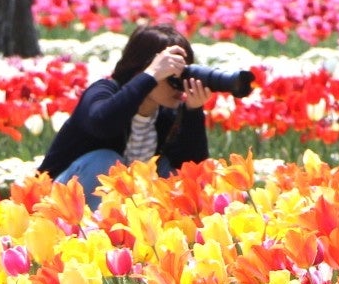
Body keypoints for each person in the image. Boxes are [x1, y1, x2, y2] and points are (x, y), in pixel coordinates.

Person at [39, 24, 219, 204]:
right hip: (57, 200)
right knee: (105, 161)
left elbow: (192, 167)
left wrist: (193, 111)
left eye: (184, 74)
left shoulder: (167, 114)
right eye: (172, 76)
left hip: (126, 203)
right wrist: (150, 76)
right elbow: (102, 124)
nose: (179, 85)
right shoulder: (103, 91)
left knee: (174, 172)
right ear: (142, 70)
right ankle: (90, 223)